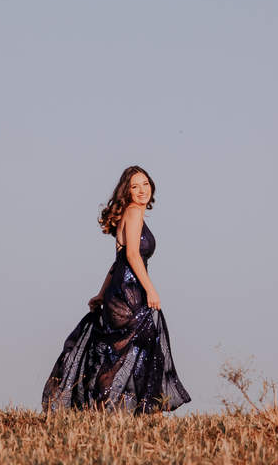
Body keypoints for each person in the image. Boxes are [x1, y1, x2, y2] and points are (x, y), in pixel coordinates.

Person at [41, 166, 191, 414]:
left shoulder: (133, 214)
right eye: (135, 186)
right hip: (128, 293)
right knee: (131, 351)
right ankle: (116, 408)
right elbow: (132, 255)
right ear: (127, 191)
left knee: (123, 353)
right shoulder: (133, 213)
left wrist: (101, 293)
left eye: (145, 184)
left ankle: (115, 409)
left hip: (120, 290)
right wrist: (151, 290)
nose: (142, 190)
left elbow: (118, 261)